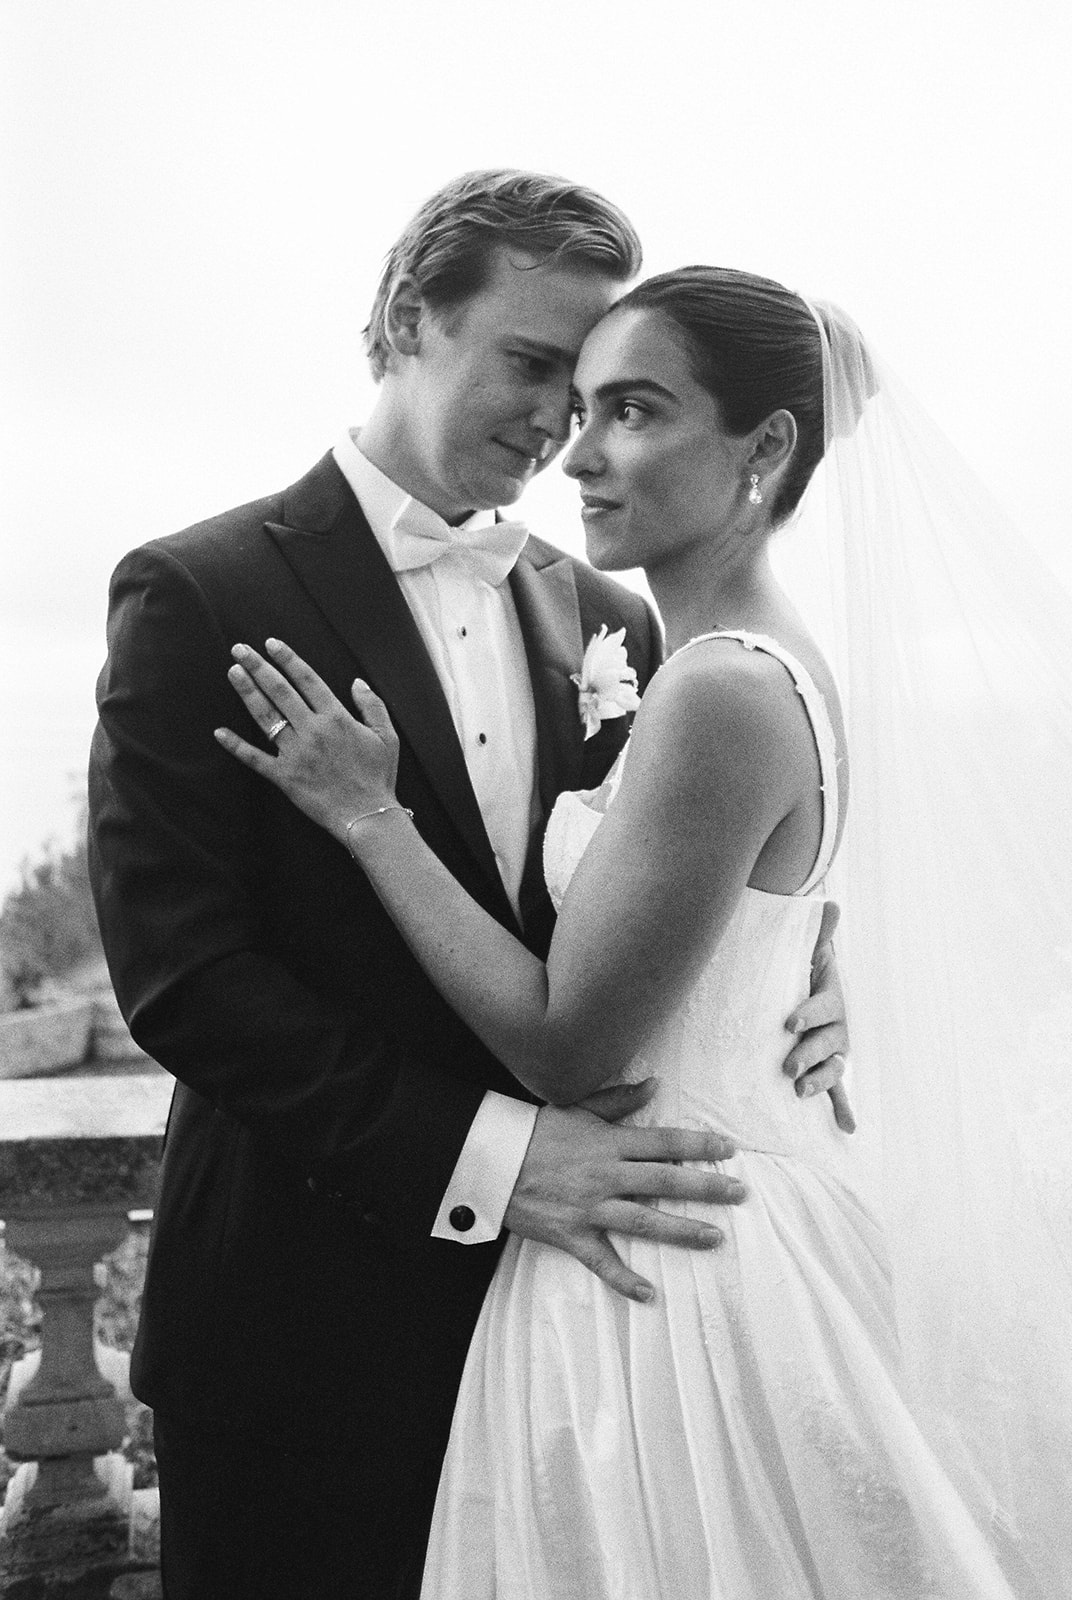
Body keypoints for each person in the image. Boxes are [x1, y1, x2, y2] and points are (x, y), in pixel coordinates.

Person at [219, 266, 1072, 1597]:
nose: (581, 453)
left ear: (765, 445)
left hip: (678, 1276)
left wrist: (371, 817)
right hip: (703, 1215)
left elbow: (567, 1048)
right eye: (581, 409)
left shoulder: (719, 691)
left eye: (634, 413)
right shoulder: (732, 657)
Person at [87, 177, 849, 1600]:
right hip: (298, 1320)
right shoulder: (198, 591)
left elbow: (668, 875)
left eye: (596, 383)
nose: (564, 417)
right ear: (405, 320)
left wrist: (796, 957)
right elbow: (186, 981)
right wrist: (493, 1160)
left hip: (578, 1333)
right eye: (531, 362)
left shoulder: (609, 612)